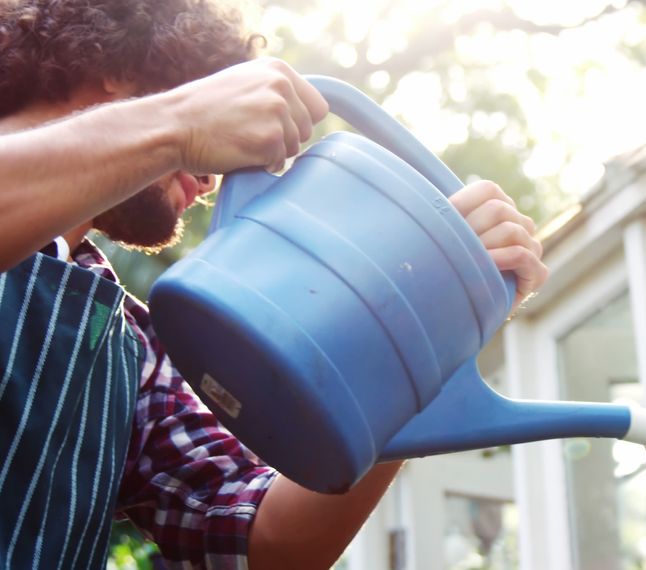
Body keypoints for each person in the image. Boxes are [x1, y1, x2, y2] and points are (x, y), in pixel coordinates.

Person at [0, 1, 548, 568]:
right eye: (212, 101)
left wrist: (431, 327)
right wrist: (179, 125)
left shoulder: (124, 346)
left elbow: (264, 541)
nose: (212, 180)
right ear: (116, 66)